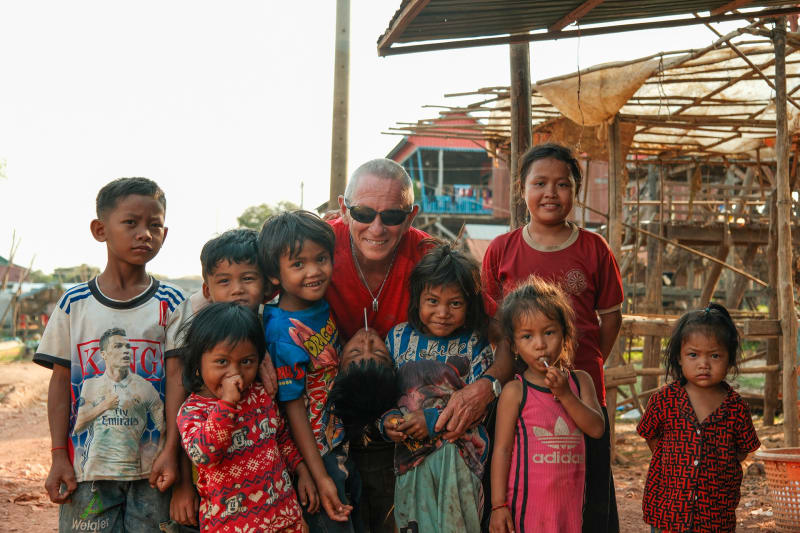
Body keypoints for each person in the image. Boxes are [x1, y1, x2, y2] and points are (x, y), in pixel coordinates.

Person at [329, 159, 513, 532]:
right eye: (363, 212)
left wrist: (486, 386)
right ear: (344, 207)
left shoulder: (430, 258)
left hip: (425, 436)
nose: (377, 227)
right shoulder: (319, 246)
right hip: (341, 418)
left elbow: (505, 336)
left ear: (411, 216)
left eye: (392, 216)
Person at [34, 177, 191, 531]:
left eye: (155, 225)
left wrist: (171, 454)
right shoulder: (75, 304)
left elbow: (180, 380)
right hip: (88, 472)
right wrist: (59, 455)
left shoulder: (173, 303)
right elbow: (60, 384)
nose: (145, 234)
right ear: (100, 229)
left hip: (154, 472)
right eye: (131, 223)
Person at [481, 143, 623, 531]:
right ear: (521, 189)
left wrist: (582, 365)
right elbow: (493, 327)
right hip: (521, 393)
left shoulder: (594, 249)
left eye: (562, 184)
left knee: (589, 498)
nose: (550, 193)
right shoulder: (501, 250)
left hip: (582, 393)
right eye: (539, 183)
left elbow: (610, 321)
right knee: (524, 488)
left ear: (575, 191)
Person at [379, 242, 494, 533]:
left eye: (455, 303)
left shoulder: (474, 343)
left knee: (457, 523)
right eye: (432, 301)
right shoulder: (398, 339)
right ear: (417, 299)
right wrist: (388, 421)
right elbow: (385, 394)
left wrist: (430, 421)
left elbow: (481, 407)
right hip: (410, 462)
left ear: (470, 304)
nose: (442, 312)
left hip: (458, 462)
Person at [172, 228, 278, 531]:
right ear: (208, 290)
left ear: (267, 284)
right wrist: (183, 485)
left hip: (269, 494)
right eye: (224, 281)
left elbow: (277, 429)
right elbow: (184, 414)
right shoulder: (199, 331)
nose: (237, 290)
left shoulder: (275, 324)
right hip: (218, 493)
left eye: (248, 278)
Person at [177, 302, 312, 532]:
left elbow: (279, 438)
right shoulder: (193, 411)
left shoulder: (260, 395)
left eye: (246, 362)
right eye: (222, 362)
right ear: (198, 363)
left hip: (284, 518)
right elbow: (205, 455)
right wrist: (227, 404)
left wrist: (302, 471)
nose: (235, 373)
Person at [259, 210, 355, 531]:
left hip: (336, 439)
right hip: (315, 451)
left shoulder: (317, 305)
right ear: (275, 275)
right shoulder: (281, 332)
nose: (314, 272)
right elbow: (292, 406)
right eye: (298, 264)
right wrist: (318, 475)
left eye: (321, 259)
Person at [490, 277, 604, 533]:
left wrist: (565, 394)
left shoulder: (580, 382)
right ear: (515, 345)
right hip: (527, 509)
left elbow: (597, 429)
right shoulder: (515, 391)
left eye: (549, 332)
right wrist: (498, 506)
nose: (540, 344)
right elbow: (502, 450)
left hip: (571, 507)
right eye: (527, 336)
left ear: (565, 334)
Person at [637, 303, 760, 533]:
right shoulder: (664, 400)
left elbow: (743, 450)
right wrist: (673, 459)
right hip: (669, 511)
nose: (703, 364)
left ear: (730, 359)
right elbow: (651, 435)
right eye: (693, 354)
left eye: (715, 355)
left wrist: (715, 463)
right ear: (680, 358)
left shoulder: (736, 408)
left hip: (715, 513)